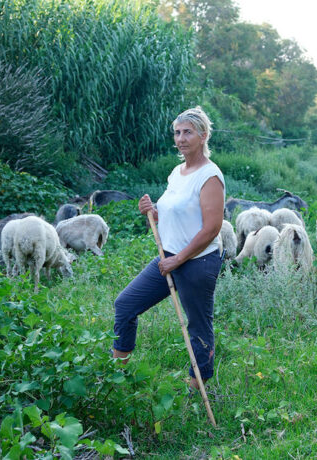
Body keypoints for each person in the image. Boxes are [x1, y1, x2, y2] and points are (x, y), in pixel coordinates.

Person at [112, 106, 225, 390]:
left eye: (188, 132)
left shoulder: (210, 176)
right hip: (169, 257)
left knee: (198, 326)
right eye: (177, 132)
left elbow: (212, 228)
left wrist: (180, 261)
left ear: (203, 135)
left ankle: (197, 387)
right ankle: (114, 376)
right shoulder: (178, 172)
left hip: (198, 261)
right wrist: (152, 211)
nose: (181, 138)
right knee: (125, 305)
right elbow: (176, 214)